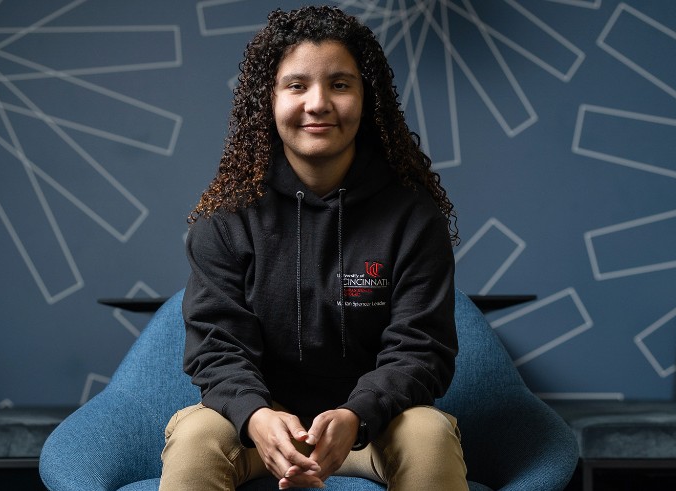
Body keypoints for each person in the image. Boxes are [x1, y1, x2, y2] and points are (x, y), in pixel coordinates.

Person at [163, 5, 467, 490]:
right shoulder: (225, 220)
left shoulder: (412, 218)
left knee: (429, 434)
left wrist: (355, 415)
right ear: (270, 99)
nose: (318, 102)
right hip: (261, 426)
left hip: (372, 425)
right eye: (297, 85)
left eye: (341, 84)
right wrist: (256, 416)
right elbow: (216, 348)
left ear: (367, 99)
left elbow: (422, 350)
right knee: (197, 436)